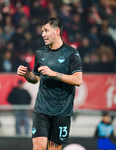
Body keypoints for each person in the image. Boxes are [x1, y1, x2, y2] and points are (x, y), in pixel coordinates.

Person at [17, 17, 82, 150]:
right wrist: (27, 74)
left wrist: (54, 74)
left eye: (46, 30)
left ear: (57, 31)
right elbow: (35, 78)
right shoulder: (41, 53)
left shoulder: (71, 53)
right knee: (38, 148)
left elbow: (78, 80)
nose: (43, 34)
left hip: (62, 112)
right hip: (42, 109)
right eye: (42, 31)